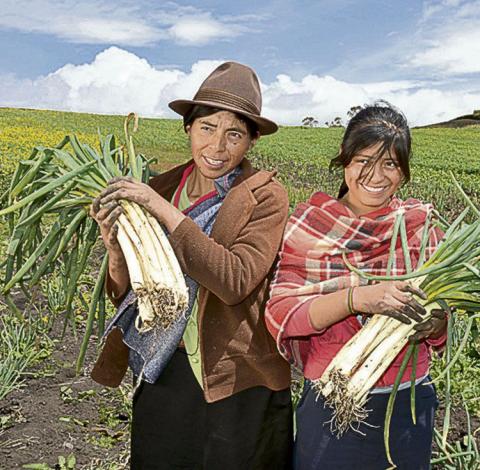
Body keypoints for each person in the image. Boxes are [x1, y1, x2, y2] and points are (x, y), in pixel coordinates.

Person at [89, 62, 293, 469]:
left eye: (234, 133)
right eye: (207, 128)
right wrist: (115, 250)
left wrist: (163, 211)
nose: (218, 146)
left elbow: (235, 280)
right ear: (187, 128)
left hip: (236, 375)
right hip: (166, 365)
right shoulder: (161, 186)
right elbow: (127, 292)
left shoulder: (266, 197)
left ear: (252, 140)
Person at [265, 102, 447, 469]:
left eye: (390, 164)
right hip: (333, 398)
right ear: (344, 160)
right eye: (364, 160)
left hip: (408, 400)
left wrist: (436, 324)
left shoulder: (421, 228)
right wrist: (356, 299)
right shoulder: (310, 226)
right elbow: (282, 313)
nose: (376, 175)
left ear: (404, 172)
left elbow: (443, 324)